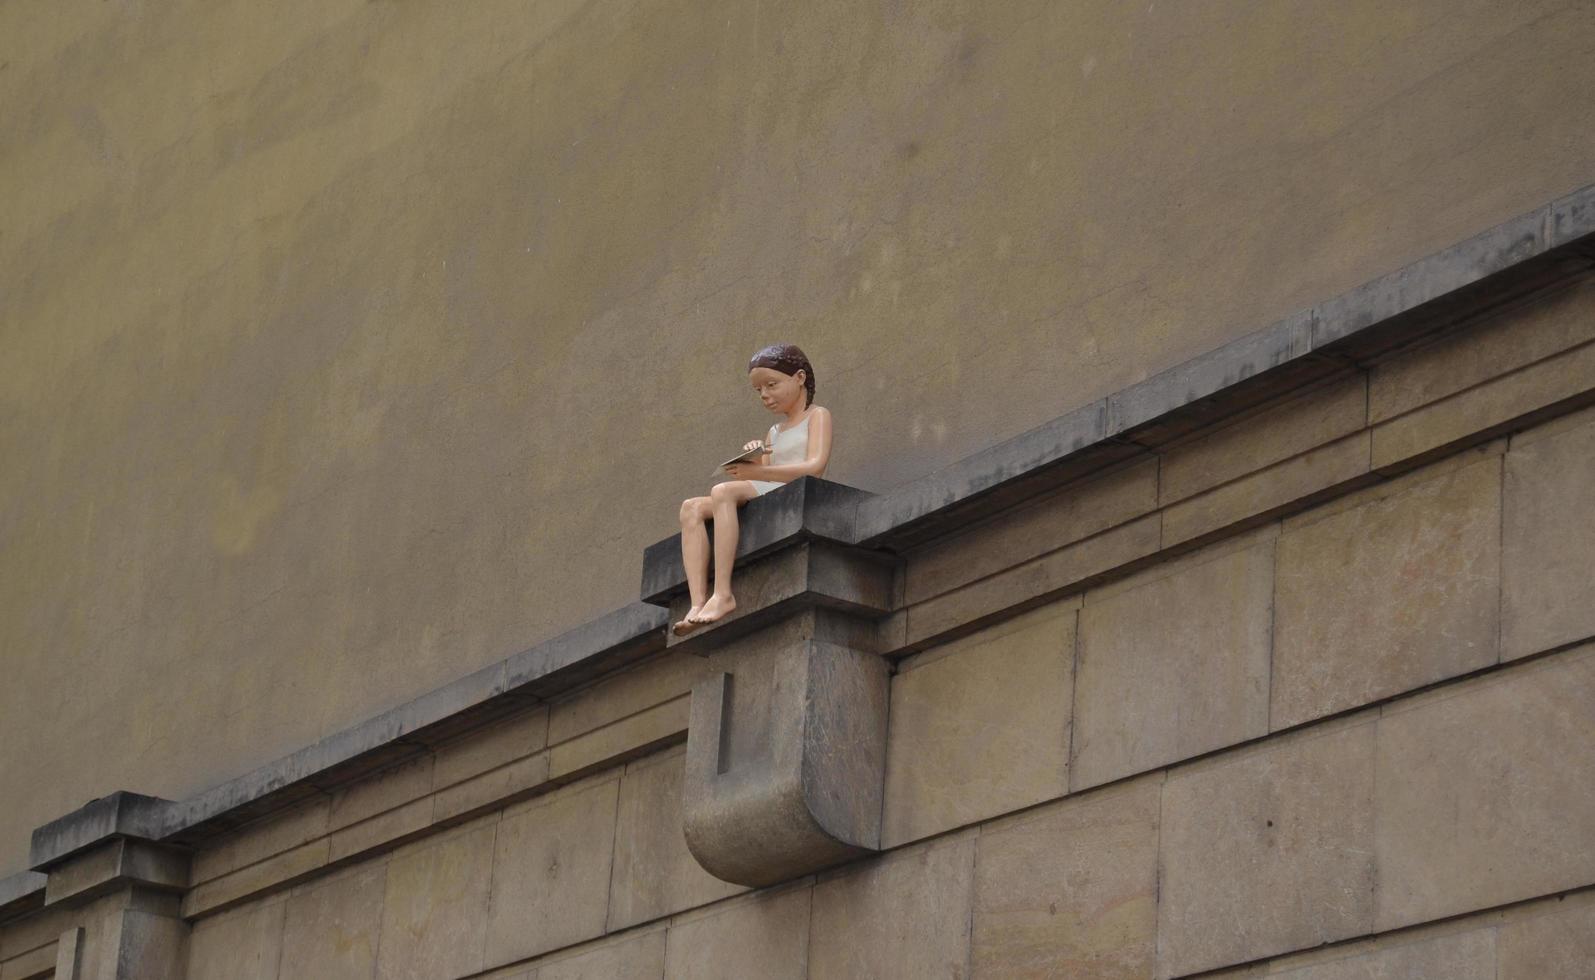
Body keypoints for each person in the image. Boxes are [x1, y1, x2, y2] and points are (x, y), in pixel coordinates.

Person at [675, 344, 833, 635]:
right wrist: (758, 456)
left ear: (799, 378)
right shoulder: (775, 431)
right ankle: (697, 603)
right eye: (759, 390)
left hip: (795, 494)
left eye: (772, 385)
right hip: (773, 491)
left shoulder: (817, 415)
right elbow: (768, 474)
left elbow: (815, 467)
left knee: (723, 491)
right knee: (691, 507)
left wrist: (758, 470)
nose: (765, 395)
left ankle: (723, 593)